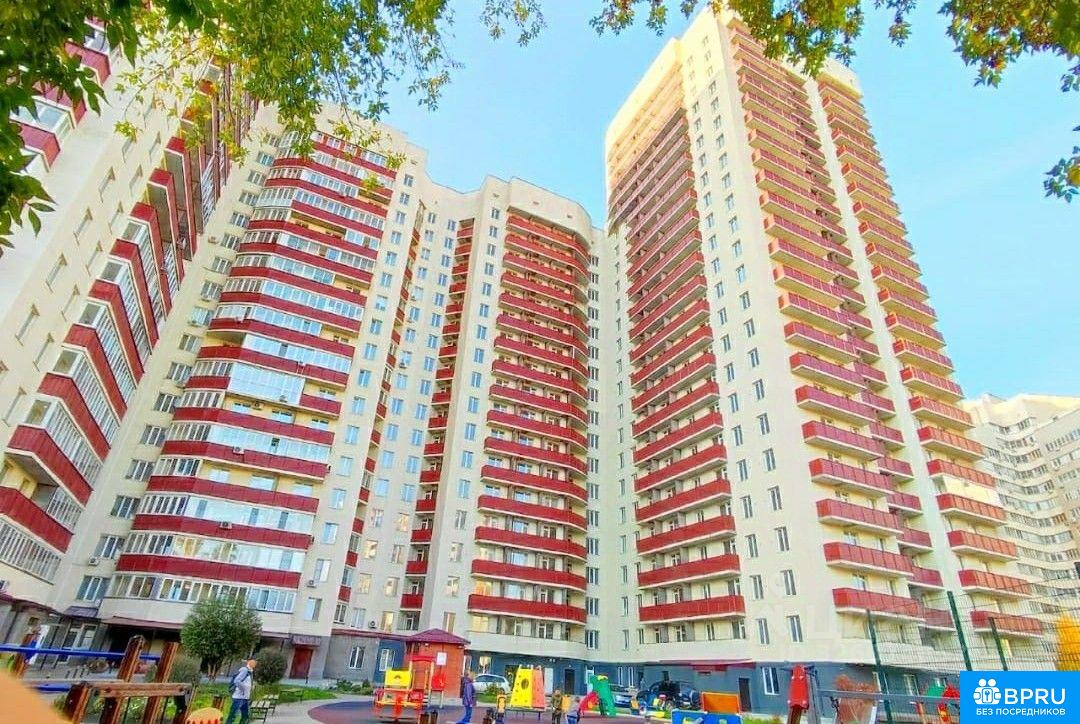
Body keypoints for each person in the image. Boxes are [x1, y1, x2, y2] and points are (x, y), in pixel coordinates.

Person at [224, 658, 257, 724]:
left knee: (245, 716)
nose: (255, 663)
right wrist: (243, 689)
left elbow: (246, 682)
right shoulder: (245, 670)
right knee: (233, 715)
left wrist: (250, 687)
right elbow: (237, 681)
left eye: (256, 662)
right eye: (253, 661)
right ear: (248, 662)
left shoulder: (250, 671)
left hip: (245, 698)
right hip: (239, 697)